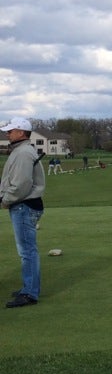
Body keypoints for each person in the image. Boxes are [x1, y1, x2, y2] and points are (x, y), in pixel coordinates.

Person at [0, 118, 46, 307]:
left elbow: (21, 185)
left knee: (27, 251)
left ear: (21, 132)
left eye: (11, 130)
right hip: (23, 205)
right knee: (26, 251)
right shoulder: (21, 151)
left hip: (23, 205)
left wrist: (4, 200)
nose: (7, 133)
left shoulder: (23, 153)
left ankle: (29, 293)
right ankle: (28, 287)